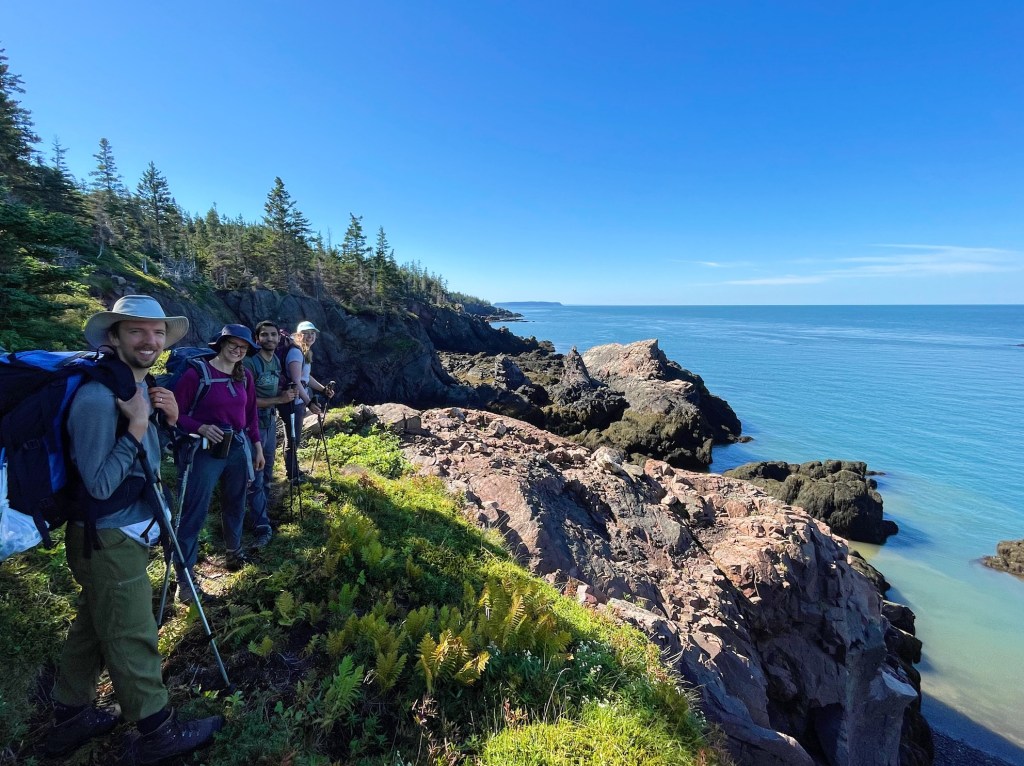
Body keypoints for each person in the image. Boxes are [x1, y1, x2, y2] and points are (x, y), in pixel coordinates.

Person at [48, 295, 222, 761]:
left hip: (121, 535)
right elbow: (100, 484)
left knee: (93, 624)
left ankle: (69, 714)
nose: (151, 340)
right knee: (132, 634)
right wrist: (140, 426)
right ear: (114, 336)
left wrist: (162, 422)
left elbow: (140, 465)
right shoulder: (96, 398)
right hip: (105, 535)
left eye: (158, 332)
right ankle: (155, 733)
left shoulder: (135, 388)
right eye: (137, 331)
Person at [172, 324, 264, 577]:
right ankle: (185, 575)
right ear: (221, 344)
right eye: (233, 344)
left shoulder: (245, 376)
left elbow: (250, 414)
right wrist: (200, 427)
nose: (237, 350)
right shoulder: (196, 375)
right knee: (194, 509)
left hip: (236, 447)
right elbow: (173, 414)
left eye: (243, 347)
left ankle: (233, 552)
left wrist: (257, 446)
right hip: (203, 451)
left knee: (236, 502)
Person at [242, 320, 296, 542]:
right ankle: (260, 524)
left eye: (273, 335)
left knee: (267, 471)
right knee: (254, 474)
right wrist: (279, 399)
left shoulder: (274, 360)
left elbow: (276, 387)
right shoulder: (249, 364)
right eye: (265, 335)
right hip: (251, 425)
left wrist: (286, 391)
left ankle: (261, 513)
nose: (270, 339)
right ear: (257, 339)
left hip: (270, 423)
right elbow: (245, 401)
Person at [282, 320, 334, 485]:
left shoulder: (304, 352)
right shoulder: (296, 353)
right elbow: (296, 381)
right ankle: (293, 475)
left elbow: (306, 378)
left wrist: (321, 389)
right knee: (293, 438)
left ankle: (294, 470)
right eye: (306, 333)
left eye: (313, 333)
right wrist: (309, 402)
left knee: (294, 437)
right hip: (292, 400)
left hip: (297, 400)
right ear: (298, 335)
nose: (310, 336)